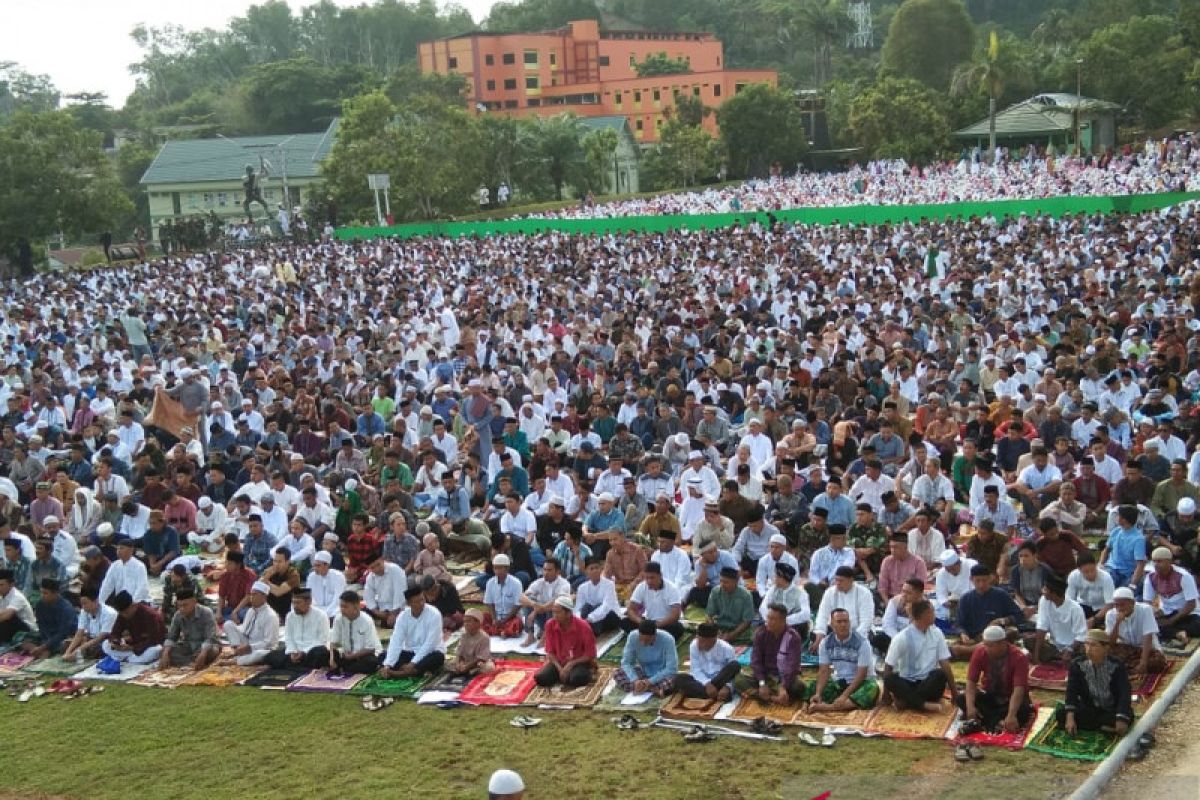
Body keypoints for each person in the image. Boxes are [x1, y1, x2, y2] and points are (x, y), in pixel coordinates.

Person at [882, 599, 958, 712]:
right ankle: (923, 705)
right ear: (924, 615)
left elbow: (945, 663)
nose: (935, 615)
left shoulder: (937, 633)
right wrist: (886, 695)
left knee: (940, 674)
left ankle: (908, 702)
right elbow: (888, 665)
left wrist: (954, 691)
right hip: (908, 682)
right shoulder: (901, 637)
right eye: (932, 612)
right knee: (889, 679)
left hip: (927, 684)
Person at [957, 625, 1033, 735]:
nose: (986, 648)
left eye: (990, 646)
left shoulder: (1019, 657)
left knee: (1023, 710)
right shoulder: (980, 651)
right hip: (991, 697)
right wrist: (970, 707)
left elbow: (1018, 690)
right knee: (961, 698)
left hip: (1010, 700)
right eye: (985, 644)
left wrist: (1011, 715)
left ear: (1002, 643)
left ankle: (986, 721)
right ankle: (996, 722)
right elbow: (971, 682)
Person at [1058, 629, 1134, 735]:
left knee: (1124, 718)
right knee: (1061, 715)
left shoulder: (1116, 665)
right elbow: (1071, 691)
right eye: (1087, 645)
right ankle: (1103, 728)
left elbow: (1124, 693)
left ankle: (1104, 727)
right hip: (1090, 708)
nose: (1088, 650)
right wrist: (1070, 717)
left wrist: (1121, 718)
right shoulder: (1077, 664)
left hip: (1111, 709)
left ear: (1105, 648)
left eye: (1093, 645)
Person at [803, 608, 879, 712]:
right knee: (813, 684)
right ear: (832, 624)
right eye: (839, 622)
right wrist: (818, 693)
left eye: (846, 621)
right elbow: (824, 671)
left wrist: (844, 696)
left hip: (860, 682)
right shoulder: (825, 643)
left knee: (872, 687)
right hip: (840, 682)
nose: (843, 625)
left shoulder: (862, 643)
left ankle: (828, 708)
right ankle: (815, 702)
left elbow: (862, 675)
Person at [734, 604, 805, 703]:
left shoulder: (793, 637)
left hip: (783, 677)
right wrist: (762, 683)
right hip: (765, 675)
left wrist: (783, 686)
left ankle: (765, 695)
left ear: (783, 621)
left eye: (773, 619)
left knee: (799, 687)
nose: (768, 622)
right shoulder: (760, 633)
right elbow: (756, 661)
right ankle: (772, 697)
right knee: (738, 680)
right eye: (768, 618)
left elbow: (792, 666)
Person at [381, 586, 445, 677]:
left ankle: (400, 673)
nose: (421, 603)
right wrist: (387, 665)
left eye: (422, 599)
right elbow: (396, 640)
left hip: (429, 652)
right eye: (417, 602)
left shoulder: (434, 614)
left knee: (437, 658)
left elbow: (430, 643)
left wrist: (413, 663)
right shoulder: (403, 616)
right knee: (383, 656)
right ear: (408, 603)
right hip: (410, 652)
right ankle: (412, 671)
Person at [534, 596, 597, 688]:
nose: (554, 615)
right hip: (559, 661)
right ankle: (562, 675)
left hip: (578, 661)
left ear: (569, 613)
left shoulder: (584, 626)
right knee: (540, 679)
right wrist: (560, 669)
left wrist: (571, 664)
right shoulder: (550, 624)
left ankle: (588, 671)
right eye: (553, 612)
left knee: (577, 679)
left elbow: (590, 654)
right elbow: (550, 652)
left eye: (558, 612)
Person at [1143, 547, 1200, 644]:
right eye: (1154, 562)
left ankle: (1174, 631)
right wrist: (1155, 611)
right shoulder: (1151, 577)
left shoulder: (1184, 576)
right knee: (1149, 624)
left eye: (1159, 561)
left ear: (1169, 561)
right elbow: (1147, 602)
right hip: (1167, 613)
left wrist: (1171, 621)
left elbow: (1191, 604)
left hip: (1189, 614)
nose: (1156, 565)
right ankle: (1178, 633)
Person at [1105, 586, 1168, 674]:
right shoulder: (1110, 614)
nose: (1119, 608)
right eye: (1116, 605)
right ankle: (1129, 669)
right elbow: (1111, 642)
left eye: (1122, 605)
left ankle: (1128, 669)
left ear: (1132, 603)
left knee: (1158, 662)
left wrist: (1143, 662)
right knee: (1105, 655)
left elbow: (1148, 636)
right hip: (1125, 648)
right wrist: (1117, 623)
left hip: (1146, 648)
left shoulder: (1145, 610)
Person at [264, 589, 331, 670]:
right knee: (270, 656)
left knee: (321, 653)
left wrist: (303, 652)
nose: (295, 606)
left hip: (311, 651)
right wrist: (293, 651)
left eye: (298, 603)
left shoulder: (321, 615)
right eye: (293, 603)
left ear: (308, 602)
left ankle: (295, 665)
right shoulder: (290, 616)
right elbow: (289, 637)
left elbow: (322, 640)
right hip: (295, 650)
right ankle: (299, 665)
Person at [1029, 574, 1088, 664]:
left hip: (1073, 647)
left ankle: (1063, 659)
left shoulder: (1075, 609)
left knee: (1084, 650)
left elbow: (1081, 636)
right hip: (1054, 646)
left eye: (1045, 589)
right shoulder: (1044, 601)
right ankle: (1056, 657)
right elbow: (1042, 627)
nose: (1042, 591)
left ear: (1054, 593)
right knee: (1029, 640)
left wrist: (1069, 649)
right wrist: (1036, 656)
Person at [811, 566, 874, 651]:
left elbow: (866, 621)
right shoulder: (830, 592)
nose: (837, 583)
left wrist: (850, 639)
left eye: (841, 581)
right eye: (836, 580)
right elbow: (822, 615)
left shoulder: (864, 593)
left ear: (851, 580)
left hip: (856, 632)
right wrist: (820, 634)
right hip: (834, 632)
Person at [675, 622, 739, 701]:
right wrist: (707, 684)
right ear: (697, 637)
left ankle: (710, 694)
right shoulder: (694, 645)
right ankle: (714, 695)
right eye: (701, 641)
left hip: (721, 681)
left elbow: (731, 675)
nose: (703, 645)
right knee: (679, 679)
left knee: (735, 665)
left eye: (706, 642)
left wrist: (727, 687)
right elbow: (696, 670)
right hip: (701, 682)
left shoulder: (726, 648)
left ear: (715, 639)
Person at [222, 581, 281, 666]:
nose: (251, 598)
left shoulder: (270, 616)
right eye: (250, 595)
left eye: (255, 595)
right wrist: (237, 631)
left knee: (261, 654)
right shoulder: (250, 611)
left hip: (260, 648)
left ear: (264, 597)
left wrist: (250, 647)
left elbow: (270, 643)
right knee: (228, 624)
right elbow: (244, 631)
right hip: (247, 645)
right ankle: (238, 653)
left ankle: (237, 661)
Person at [159, 588, 220, 670]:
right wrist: (166, 653)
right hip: (189, 646)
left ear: (194, 602)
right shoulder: (178, 615)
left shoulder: (206, 613)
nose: (182, 609)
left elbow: (211, 638)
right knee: (163, 651)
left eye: (185, 605)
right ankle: (192, 662)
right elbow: (171, 637)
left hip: (205, 646)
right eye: (179, 606)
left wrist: (203, 653)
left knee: (212, 652)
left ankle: (190, 661)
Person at [616, 619, 678, 697]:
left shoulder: (668, 639)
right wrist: (635, 680)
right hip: (643, 672)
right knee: (618, 673)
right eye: (641, 639)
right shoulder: (632, 637)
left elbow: (671, 668)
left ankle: (642, 688)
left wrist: (649, 682)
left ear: (655, 636)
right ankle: (653, 690)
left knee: (675, 679)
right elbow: (626, 662)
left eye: (647, 640)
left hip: (661, 674)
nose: (643, 643)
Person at [622, 562, 684, 639]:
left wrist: (658, 624)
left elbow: (675, 615)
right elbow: (631, 609)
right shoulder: (641, 587)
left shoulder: (672, 589)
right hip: (649, 622)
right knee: (625, 622)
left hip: (665, 624)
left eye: (652, 578)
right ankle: (652, 636)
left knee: (677, 628)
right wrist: (641, 622)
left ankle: (647, 636)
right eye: (647, 578)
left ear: (660, 575)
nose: (649, 581)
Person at [102, 590, 166, 664]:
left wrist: (132, 648)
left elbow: (154, 640)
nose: (125, 615)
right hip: (132, 647)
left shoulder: (150, 615)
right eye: (122, 614)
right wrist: (116, 642)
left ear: (133, 605)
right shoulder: (123, 615)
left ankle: (126, 658)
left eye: (126, 612)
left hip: (148, 647)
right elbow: (115, 632)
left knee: (156, 650)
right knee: (105, 644)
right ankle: (129, 658)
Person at [328, 590, 383, 675]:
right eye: (341, 606)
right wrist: (332, 659)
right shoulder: (338, 619)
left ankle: (345, 669)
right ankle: (345, 668)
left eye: (345, 606)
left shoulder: (366, 620)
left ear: (356, 606)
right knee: (324, 654)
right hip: (347, 655)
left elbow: (370, 649)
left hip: (363, 656)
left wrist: (351, 657)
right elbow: (334, 643)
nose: (342, 609)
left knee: (370, 662)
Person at [519, 557, 571, 647]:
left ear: (558, 572)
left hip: (558, 619)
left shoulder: (564, 584)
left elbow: (558, 602)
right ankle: (531, 635)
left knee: (555, 606)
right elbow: (522, 597)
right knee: (529, 600)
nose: (546, 573)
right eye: (544, 570)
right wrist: (534, 605)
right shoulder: (539, 582)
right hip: (542, 615)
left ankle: (546, 636)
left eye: (549, 570)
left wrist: (537, 610)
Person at [20, 578, 76, 658]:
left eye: (45, 593)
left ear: (55, 593)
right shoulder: (40, 605)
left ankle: (44, 651)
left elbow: (63, 633)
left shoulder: (66, 609)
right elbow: (42, 627)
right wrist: (44, 643)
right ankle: (41, 651)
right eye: (41, 592)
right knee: (24, 640)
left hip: (62, 637)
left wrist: (44, 646)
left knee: (65, 644)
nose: (42, 596)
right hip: (46, 637)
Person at [1101, 504, 1147, 590]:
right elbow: (1106, 550)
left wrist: (1133, 584)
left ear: (1124, 519)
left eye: (1119, 515)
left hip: (1128, 573)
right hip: (1111, 569)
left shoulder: (1138, 538)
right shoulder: (1115, 531)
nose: (1117, 517)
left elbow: (1140, 564)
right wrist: (1101, 565)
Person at [758, 561, 811, 634]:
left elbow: (806, 614)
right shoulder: (773, 589)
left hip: (792, 625)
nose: (774, 578)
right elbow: (763, 607)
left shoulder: (801, 593)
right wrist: (771, 620)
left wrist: (783, 621)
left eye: (776, 576)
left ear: (782, 578)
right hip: (773, 623)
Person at [97, 537, 150, 606]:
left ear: (131, 550)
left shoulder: (139, 566)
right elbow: (107, 585)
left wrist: (133, 603)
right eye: (117, 549)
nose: (118, 551)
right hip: (121, 603)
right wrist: (100, 602)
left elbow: (142, 587)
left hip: (137, 602)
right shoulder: (115, 565)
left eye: (121, 548)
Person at [483, 553, 525, 638]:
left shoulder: (516, 583)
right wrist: (494, 618)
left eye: (500, 568)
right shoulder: (490, 583)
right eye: (495, 568)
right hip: (496, 616)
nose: (497, 571)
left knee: (517, 623)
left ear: (507, 568)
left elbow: (518, 605)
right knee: (481, 617)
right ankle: (502, 631)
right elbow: (489, 603)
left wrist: (505, 620)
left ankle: (500, 631)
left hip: (511, 617)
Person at [575, 557, 621, 635]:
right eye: (591, 568)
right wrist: (580, 620)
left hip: (608, 616)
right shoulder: (582, 588)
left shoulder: (609, 584)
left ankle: (591, 630)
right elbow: (578, 608)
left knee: (605, 611)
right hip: (590, 617)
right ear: (586, 571)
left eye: (597, 568)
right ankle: (588, 628)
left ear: (601, 569)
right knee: (586, 607)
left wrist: (589, 619)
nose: (595, 571)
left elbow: (606, 606)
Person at [363, 555, 408, 628]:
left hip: (398, 609)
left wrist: (393, 614)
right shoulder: (370, 577)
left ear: (382, 560)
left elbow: (400, 594)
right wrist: (377, 612)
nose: (377, 569)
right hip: (381, 610)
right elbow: (368, 597)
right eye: (373, 568)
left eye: (378, 565)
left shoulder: (395, 570)